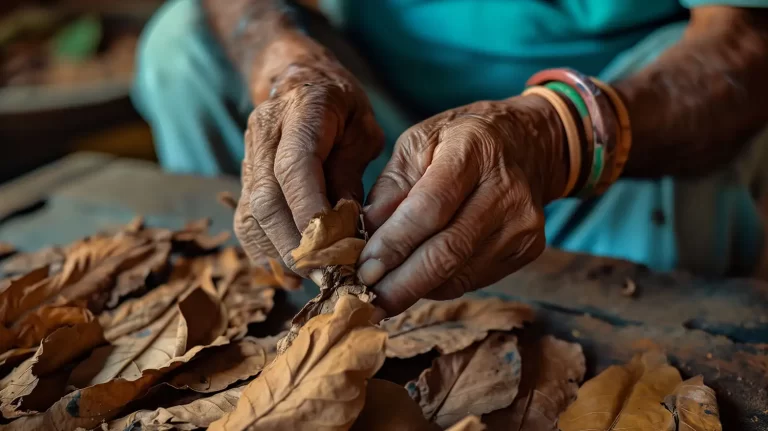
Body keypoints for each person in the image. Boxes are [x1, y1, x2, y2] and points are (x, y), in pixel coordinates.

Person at [132, 0, 768, 317]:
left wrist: (554, 136)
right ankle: (279, 299)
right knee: (183, 41)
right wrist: (283, 61)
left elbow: (745, 39)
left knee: (623, 324)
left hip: (599, 138)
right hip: (379, 125)